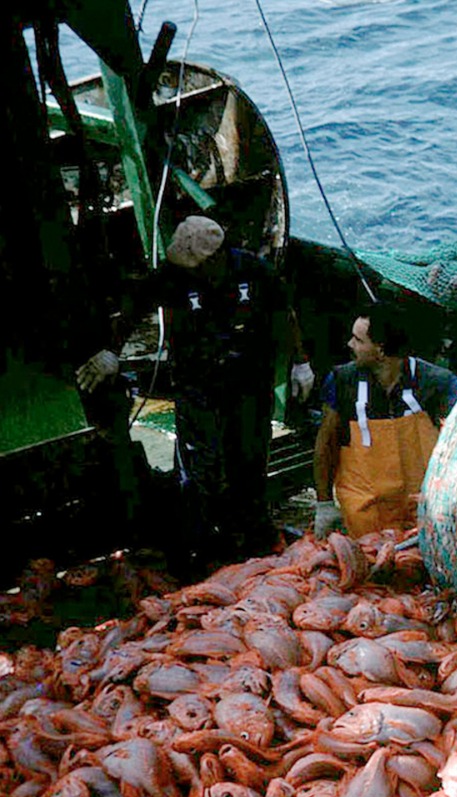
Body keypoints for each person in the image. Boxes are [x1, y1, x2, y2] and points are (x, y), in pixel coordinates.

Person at [75, 215, 314, 572]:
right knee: (200, 469)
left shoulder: (254, 270)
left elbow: (286, 313)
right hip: (198, 386)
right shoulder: (173, 278)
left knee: (248, 460)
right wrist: (112, 349)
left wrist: (300, 362)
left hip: (248, 383)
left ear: (216, 256)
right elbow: (134, 305)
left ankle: (252, 536)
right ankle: (201, 546)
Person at [314, 307, 457, 538]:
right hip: (365, 514)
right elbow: (325, 444)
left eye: (358, 340)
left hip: (423, 511)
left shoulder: (437, 383)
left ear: (381, 350)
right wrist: (324, 504)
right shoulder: (341, 381)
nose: (350, 345)